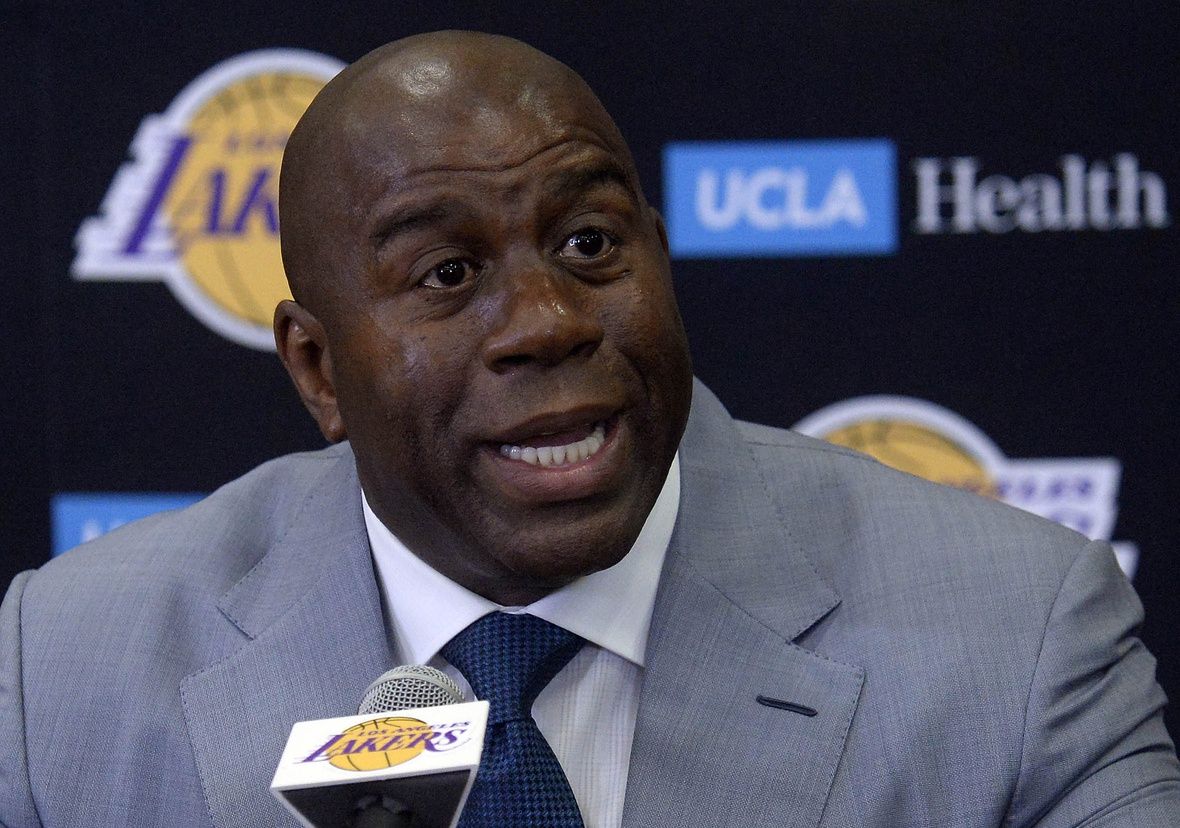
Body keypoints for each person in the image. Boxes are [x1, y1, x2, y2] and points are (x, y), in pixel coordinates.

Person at [2, 30, 1177, 828]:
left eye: (589, 246)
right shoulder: (62, 670)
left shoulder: (1016, 640)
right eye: (449, 272)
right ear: (317, 367)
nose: (549, 322)